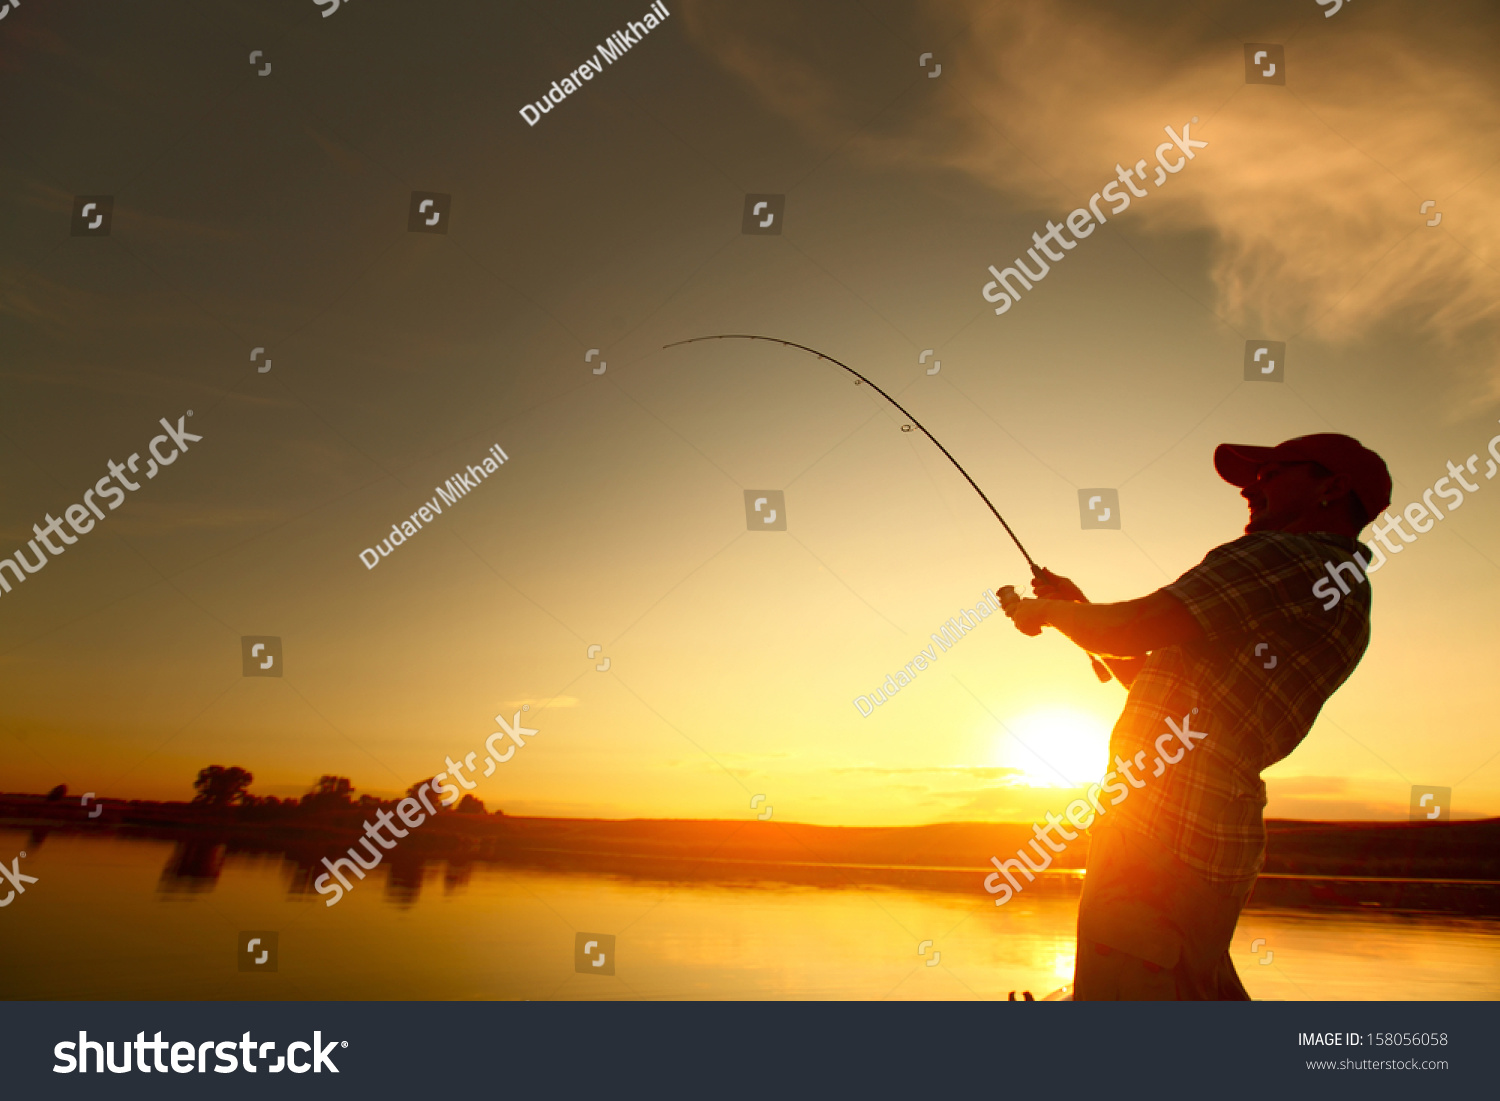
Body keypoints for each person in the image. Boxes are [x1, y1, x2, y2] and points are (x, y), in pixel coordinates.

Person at [999, 433, 1391, 1000]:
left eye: (1272, 473)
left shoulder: (1284, 557)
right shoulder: (1344, 593)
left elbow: (1138, 625)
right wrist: (1079, 611)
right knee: (1189, 988)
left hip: (1161, 828)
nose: (1252, 490)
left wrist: (1046, 613)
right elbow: (1166, 682)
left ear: (1332, 487)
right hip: (1212, 837)